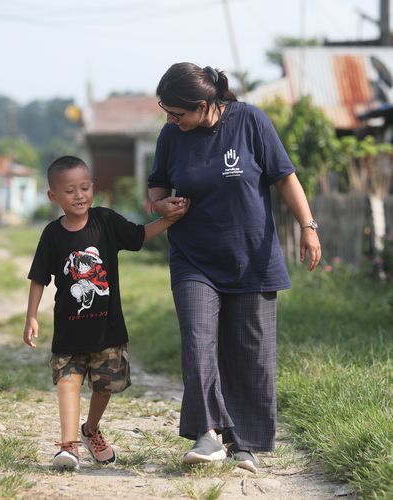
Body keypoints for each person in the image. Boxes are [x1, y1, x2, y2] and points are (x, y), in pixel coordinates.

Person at [148, 63, 321, 472]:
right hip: (193, 258)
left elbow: (285, 177)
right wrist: (160, 205)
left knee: (250, 354)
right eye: (167, 113)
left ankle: (243, 442)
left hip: (250, 258)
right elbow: (156, 185)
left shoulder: (251, 122)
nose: (171, 121)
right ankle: (208, 433)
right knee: (197, 341)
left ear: (206, 105)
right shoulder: (171, 135)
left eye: (178, 114)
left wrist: (308, 226)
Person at [23, 155, 189, 471]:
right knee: (67, 383)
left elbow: (140, 235)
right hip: (68, 334)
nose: (79, 195)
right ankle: (68, 448)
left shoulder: (105, 222)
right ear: (53, 196)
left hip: (107, 333)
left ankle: (91, 429)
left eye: (84, 187)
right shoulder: (52, 235)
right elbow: (38, 278)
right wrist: (31, 316)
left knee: (105, 386)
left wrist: (170, 220)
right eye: (69, 190)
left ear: (92, 188)